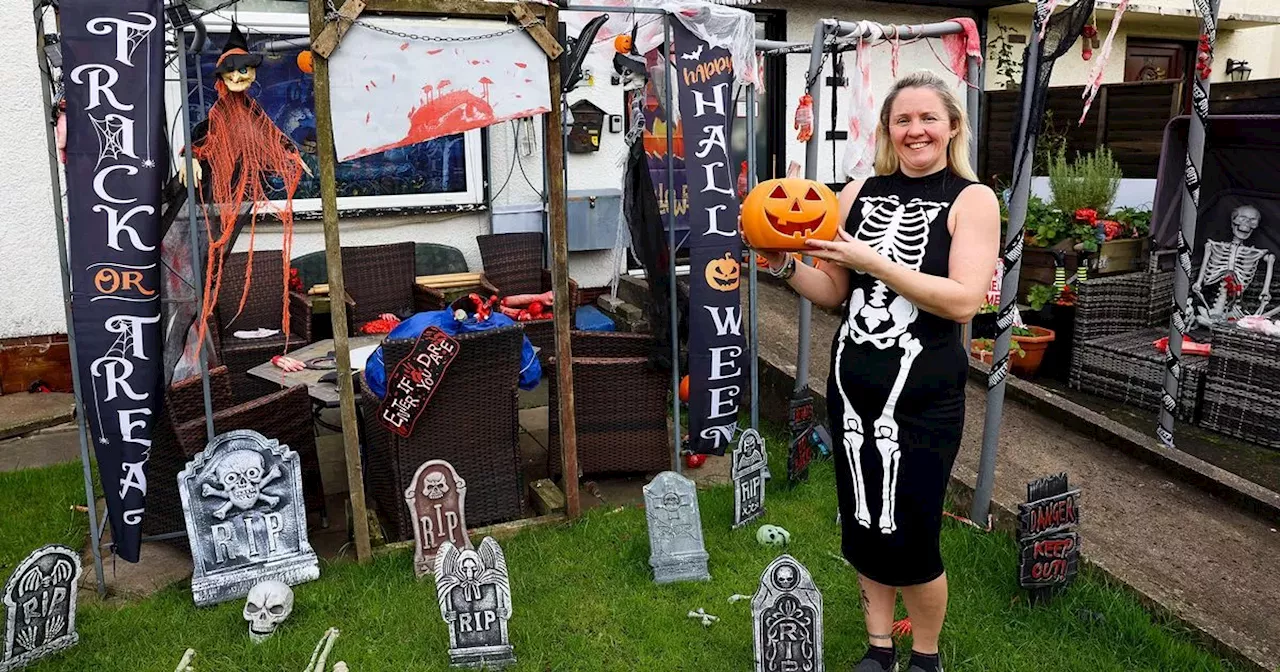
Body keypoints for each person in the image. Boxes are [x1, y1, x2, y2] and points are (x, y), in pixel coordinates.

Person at [750, 71, 999, 672]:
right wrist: (782, 267)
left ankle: (926, 656)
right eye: (902, 120)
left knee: (913, 536)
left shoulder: (973, 199)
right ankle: (878, 647)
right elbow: (835, 290)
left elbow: (964, 300)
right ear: (888, 129)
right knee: (863, 526)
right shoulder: (858, 190)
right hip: (851, 380)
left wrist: (876, 261)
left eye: (928, 118)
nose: (915, 130)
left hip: (924, 392)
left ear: (952, 127)